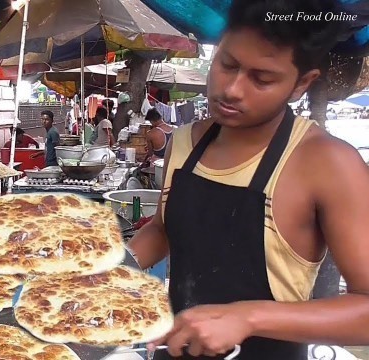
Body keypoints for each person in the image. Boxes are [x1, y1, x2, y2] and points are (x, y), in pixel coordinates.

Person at [128, 0, 369, 358]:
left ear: (302, 83)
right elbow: (164, 230)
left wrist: (248, 317)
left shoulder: (329, 163)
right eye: (227, 64)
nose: (233, 90)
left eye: (262, 78)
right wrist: (116, 264)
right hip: (178, 348)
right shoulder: (183, 142)